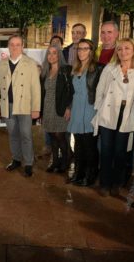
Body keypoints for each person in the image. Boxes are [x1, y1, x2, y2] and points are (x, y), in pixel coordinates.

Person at [92, 38, 134, 197]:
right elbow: (100, 90)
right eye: (120, 49)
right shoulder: (110, 68)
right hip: (108, 114)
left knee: (121, 152)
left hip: (127, 114)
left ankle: (117, 182)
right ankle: (104, 183)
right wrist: (98, 111)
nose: (123, 52)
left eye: (127, 48)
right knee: (106, 151)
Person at [0, 34, 41, 177]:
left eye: (18, 44)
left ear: (22, 46)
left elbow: (35, 88)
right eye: (12, 44)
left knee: (26, 135)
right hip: (8, 105)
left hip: (24, 106)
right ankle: (16, 159)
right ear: (8, 46)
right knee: (13, 134)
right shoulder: (2, 64)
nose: (14, 47)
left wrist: (36, 108)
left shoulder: (30, 63)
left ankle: (29, 163)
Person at [67, 39, 103, 186]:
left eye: (85, 48)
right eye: (79, 49)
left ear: (91, 51)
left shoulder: (98, 68)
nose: (81, 51)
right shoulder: (74, 69)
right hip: (76, 109)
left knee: (90, 146)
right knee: (78, 145)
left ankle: (90, 175)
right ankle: (78, 173)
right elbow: (71, 92)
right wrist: (68, 108)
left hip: (90, 109)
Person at [42, 45, 73, 173]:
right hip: (47, 108)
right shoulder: (45, 71)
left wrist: (68, 108)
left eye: (54, 53)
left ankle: (66, 160)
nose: (51, 56)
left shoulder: (66, 70)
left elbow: (71, 91)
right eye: (49, 53)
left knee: (60, 136)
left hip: (60, 108)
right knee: (52, 135)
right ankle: (55, 162)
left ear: (59, 55)